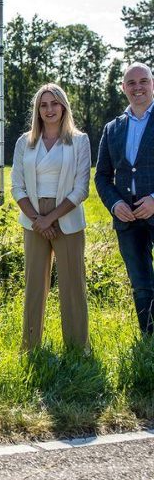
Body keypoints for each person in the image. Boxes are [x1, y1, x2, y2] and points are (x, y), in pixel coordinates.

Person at [10, 83, 91, 351]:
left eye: (54, 103)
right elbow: (16, 186)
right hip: (33, 218)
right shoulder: (25, 141)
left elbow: (81, 189)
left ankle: (78, 349)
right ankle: (30, 346)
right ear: (37, 110)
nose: (49, 109)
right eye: (43, 105)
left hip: (66, 217)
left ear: (64, 106)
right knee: (34, 285)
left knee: (72, 285)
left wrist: (51, 218)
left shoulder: (79, 141)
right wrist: (38, 219)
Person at [95, 62, 154, 336]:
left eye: (143, 81)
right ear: (123, 88)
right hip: (127, 220)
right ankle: (149, 338)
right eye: (131, 82)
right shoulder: (112, 128)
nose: (138, 87)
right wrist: (115, 204)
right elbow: (102, 176)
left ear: (152, 84)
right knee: (141, 283)